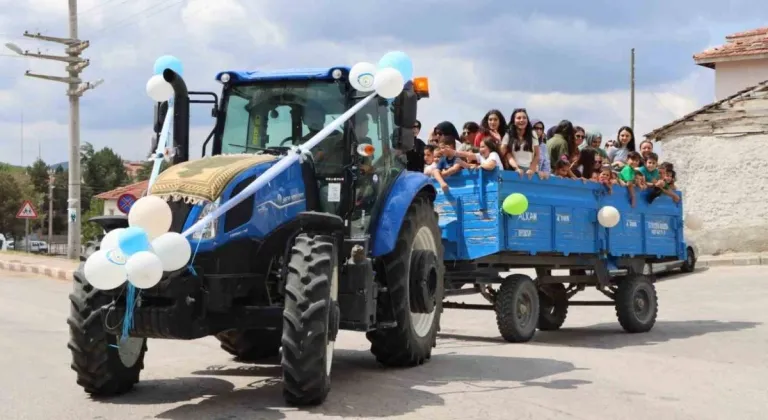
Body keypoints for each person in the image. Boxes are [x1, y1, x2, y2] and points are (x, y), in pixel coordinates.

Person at [501, 108, 540, 175]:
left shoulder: (532, 134)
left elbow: (537, 155)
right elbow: (505, 153)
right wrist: (516, 168)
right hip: (513, 170)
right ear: (513, 120)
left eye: (524, 118)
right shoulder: (508, 135)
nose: (522, 120)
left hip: (530, 171)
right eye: (518, 118)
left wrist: (531, 169)